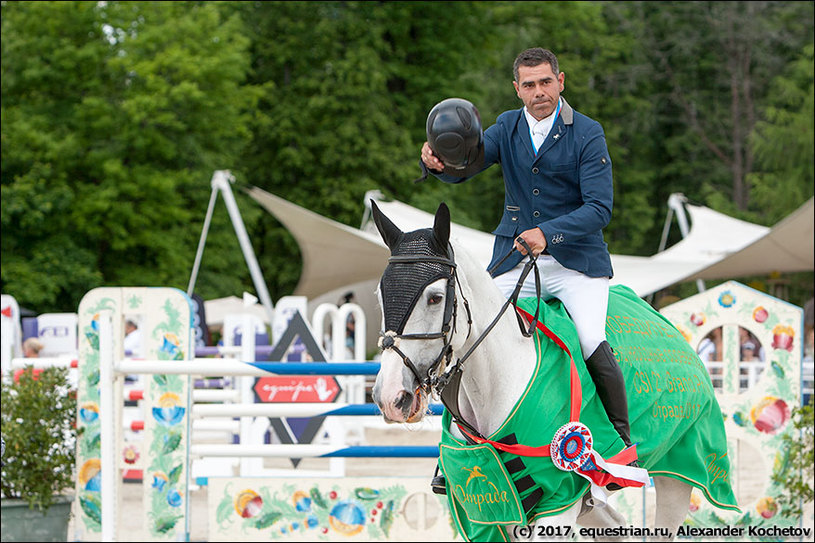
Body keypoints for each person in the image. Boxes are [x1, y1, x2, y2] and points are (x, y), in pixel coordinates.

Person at [421, 48, 635, 471]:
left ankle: (620, 442)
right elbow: (469, 165)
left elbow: (600, 208)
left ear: (561, 81)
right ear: (516, 89)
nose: (539, 92)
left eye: (546, 82)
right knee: (467, 335)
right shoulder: (507, 126)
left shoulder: (588, 133)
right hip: (516, 258)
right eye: (530, 85)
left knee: (591, 340)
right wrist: (438, 165)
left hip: (577, 263)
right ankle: (452, 455)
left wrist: (548, 233)